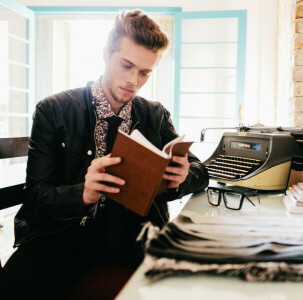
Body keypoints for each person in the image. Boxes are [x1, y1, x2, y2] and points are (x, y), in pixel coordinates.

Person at [1, 10, 209, 299]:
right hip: (62, 237)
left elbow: (202, 174)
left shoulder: (155, 115)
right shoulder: (53, 110)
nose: (133, 81)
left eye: (144, 72)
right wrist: (82, 193)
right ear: (105, 55)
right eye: (126, 65)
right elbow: (37, 195)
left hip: (134, 238)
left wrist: (184, 176)